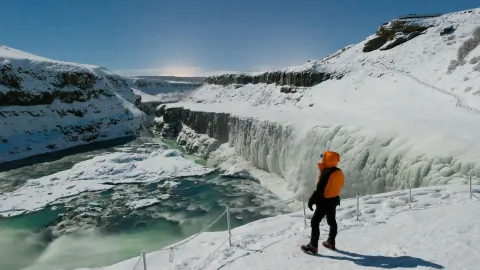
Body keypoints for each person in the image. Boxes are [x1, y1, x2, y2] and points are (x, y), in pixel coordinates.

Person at [301, 150, 344, 254]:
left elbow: (319, 190)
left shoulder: (326, 173)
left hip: (324, 203)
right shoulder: (338, 172)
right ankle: (331, 242)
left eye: (323, 158)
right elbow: (339, 186)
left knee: (314, 222)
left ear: (327, 160)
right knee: (332, 222)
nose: (322, 160)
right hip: (334, 201)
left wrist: (311, 201)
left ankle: (313, 246)